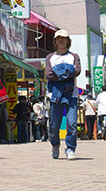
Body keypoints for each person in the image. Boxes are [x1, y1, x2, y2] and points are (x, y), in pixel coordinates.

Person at [44, 29, 82, 160]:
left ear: (68, 41)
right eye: (58, 38)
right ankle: (55, 145)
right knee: (54, 125)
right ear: (55, 41)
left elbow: (77, 70)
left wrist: (59, 71)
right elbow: (49, 74)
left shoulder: (74, 56)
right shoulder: (50, 57)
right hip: (54, 94)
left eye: (63, 38)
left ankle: (70, 148)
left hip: (71, 94)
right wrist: (67, 71)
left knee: (72, 123)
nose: (61, 40)